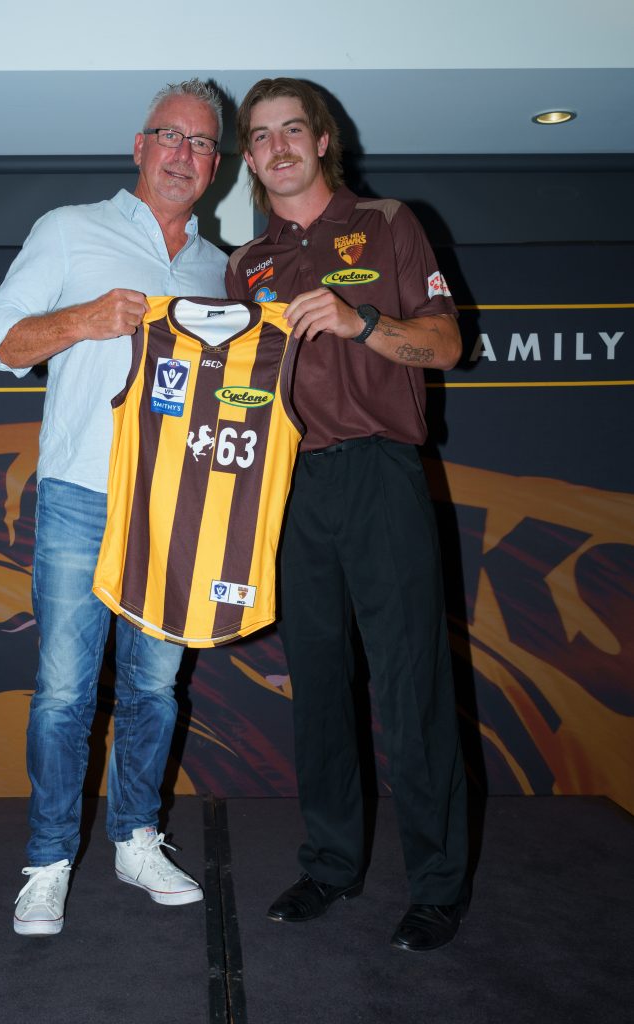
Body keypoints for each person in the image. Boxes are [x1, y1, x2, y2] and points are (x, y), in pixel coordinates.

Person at [0, 79, 227, 936]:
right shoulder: (69, 229)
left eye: (201, 143)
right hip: (83, 492)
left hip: (177, 505)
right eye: (170, 136)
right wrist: (80, 320)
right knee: (62, 693)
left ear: (216, 165)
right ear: (139, 146)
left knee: (155, 688)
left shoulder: (220, 268)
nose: (183, 154)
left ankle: (135, 839)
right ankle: (47, 862)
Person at [225, 78, 469, 952]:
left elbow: (447, 345)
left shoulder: (388, 222)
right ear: (249, 158)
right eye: (261, 136)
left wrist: (360, 322)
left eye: (292, 129)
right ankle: (330, 865)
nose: (278, 146)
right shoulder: (245, 264)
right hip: (288, 490)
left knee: (410, 687)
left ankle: (436, 886)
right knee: (318, 688)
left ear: (322, 140)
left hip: (378, 473)